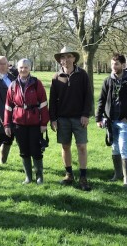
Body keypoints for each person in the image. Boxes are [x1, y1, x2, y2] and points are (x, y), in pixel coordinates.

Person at [49, 46, 93, 191]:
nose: (65, 60)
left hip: (79, 118)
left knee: (81, 146)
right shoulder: (56, 77)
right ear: (60, 60)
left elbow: (88, 96)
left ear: (74, 58)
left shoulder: (82, 75)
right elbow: (52, 100)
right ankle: (69, 174)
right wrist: (53, 119)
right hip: (62, 119)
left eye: (68, 56)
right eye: (63, 57)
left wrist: (86, 114)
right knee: (65, 146)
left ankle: (83, 177)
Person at [95, 54, 127, 188]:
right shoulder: (107, 81)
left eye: (116, 64)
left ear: (123, 65)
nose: (114, 67)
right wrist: (98, 118)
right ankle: (117, 175)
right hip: (110, 121)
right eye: (112, 64)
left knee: (123, 147)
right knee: (115, 148)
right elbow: (101, 100)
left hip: (124, 121)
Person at [4, 58, 50, 184]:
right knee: (23, 150)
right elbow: (8, 107)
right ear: (17, 69)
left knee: (36, 150)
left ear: (30, 68)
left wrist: (44, 123)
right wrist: (7, 124)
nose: (23, 70)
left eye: (26, 67)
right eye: (21, 67)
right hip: (18, 124)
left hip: (35, 123)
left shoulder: (36, 83)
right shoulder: (12, 85)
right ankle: (28, 177)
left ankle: (39, 176)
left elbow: (44, 104)